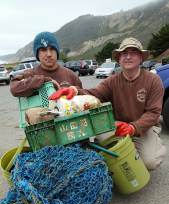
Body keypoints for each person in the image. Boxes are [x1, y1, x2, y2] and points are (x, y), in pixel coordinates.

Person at [49, 37, 166, 171]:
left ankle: (155, 145)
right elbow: (94, 93)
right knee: (102, 154)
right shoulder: (112, 81)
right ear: (119, 59)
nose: (128, 57)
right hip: (117, 126)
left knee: (150, 161)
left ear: (141, 57)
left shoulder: (153, 81)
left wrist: (133, 127)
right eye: (124, 53)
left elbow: (153, 113)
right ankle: (125, 150)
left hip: (143, 128)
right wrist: (73, 90)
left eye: (133, 52)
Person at [10, 31, 82, 124]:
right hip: (43, 133)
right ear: (38, 54)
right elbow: (14, 88)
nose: (48, 54)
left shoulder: (71, 75)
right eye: (43, 50)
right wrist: (44, 80)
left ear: (57, 52)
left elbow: (81, 103)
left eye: (52, 49)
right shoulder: (30, 74)